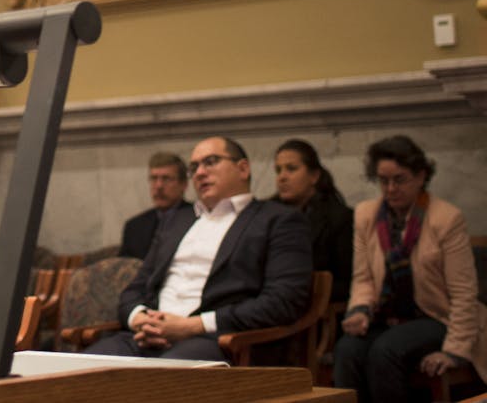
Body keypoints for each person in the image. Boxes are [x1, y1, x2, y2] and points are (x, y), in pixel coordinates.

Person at [86, 136, 312, 361]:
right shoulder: (176, 222)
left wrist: (194, 325)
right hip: (145, 337)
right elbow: (134, 289)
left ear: (243, 169)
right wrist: (139, 318)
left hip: (218, 341)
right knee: (76, 372)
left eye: (211, 162)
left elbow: (284, 301)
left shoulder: (278, 220)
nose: (200, 173)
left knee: (158, 382)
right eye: (194, 167)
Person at [333, 135, 487, 400]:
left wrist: (453, 351)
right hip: (387, 316)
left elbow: (463, 294)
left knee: (386, 350)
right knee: (348, 349)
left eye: (399, 179)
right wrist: (359, 310)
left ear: (420, 176)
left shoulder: (446, 218)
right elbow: (363, 278)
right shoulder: (366, 215)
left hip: (438, 316)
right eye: (383, 180)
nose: (390, 188)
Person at [271, 138, 353, 302]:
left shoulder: (339, 217)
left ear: (314, 176)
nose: (282, 177)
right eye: (278, 170)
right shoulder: (265, 213)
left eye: (291, 169)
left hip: (315, 309)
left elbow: (346, 283)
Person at [119, 151, 193, 260]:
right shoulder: (134, 226)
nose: (159, 186)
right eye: (154, 178)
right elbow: (122, 269)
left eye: (166, 179)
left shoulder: (197, 218)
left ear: (184, 184)